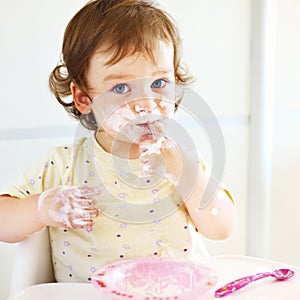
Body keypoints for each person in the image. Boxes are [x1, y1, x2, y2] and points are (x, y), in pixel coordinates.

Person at [0, 0, 236, 282]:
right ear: (84, 98)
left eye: (158, 83)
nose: (145, 102)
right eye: (121, 88)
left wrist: (185, 174)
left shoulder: (180, 159)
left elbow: (221, 228)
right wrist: (40, 209)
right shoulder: (62, 165)